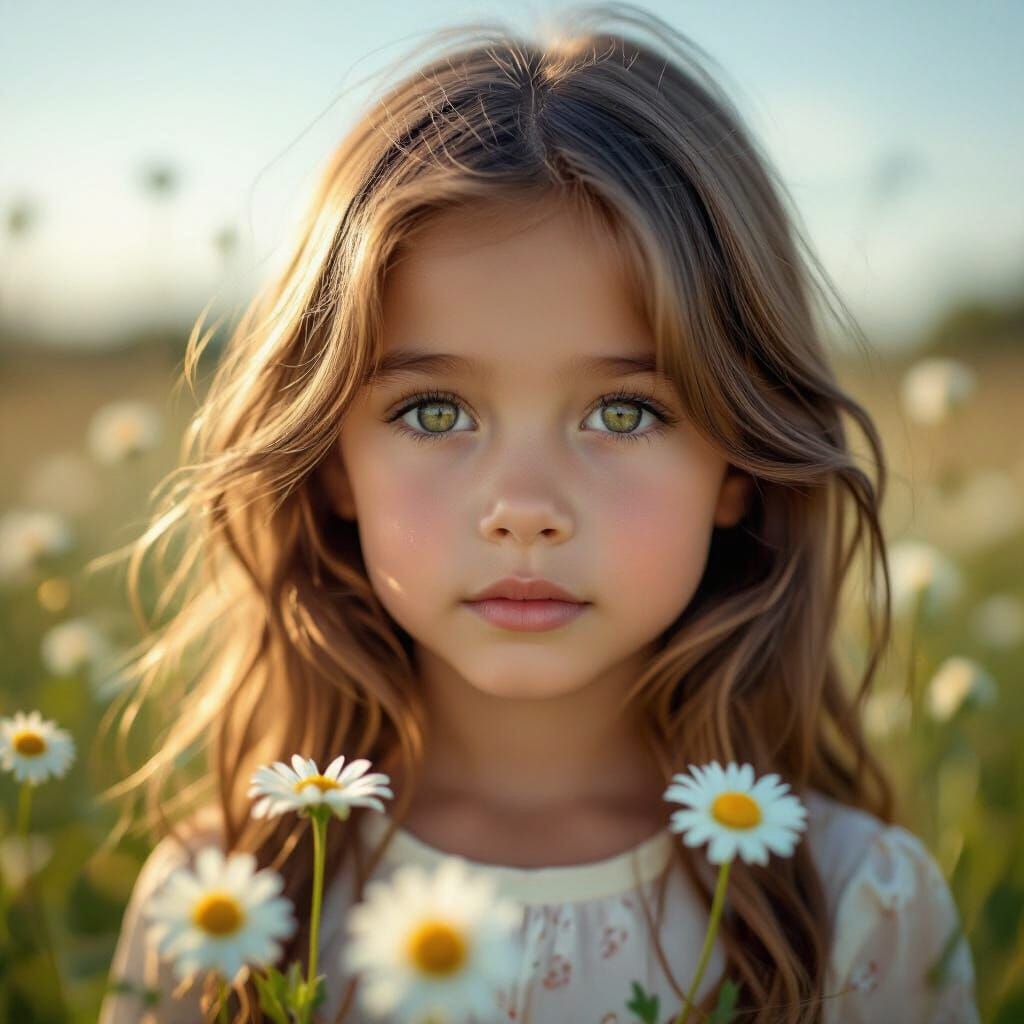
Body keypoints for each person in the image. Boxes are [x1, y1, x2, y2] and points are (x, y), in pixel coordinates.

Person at [97, 5, 980, 1022]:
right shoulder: (220, 907)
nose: (523, 510)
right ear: (331, 461)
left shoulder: (860, 903)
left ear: (739, 463)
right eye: (434, 411)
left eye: (624, 411)